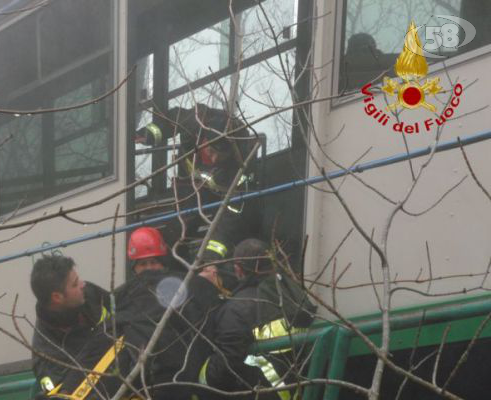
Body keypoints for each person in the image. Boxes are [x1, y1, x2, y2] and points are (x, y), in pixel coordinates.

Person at [40, 227, 221, 399]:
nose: (149, 268)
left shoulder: (187, 286)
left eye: (154, 262)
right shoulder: (122, 296)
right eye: (143, 264)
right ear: (134, 267)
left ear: (163, 263)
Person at [136, 105, 259, 261]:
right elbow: (172, 119)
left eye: (220, 156)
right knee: (181, 225)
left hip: (218, 196)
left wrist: (212, 255)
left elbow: (231, 216)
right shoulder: (194, 122)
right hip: (189, 184)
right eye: (211, 152)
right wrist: (148, 135)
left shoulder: (240, 164)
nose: (214, 159)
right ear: (204, 139)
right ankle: (173, 258)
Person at [200, 238, 317, 400]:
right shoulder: (292, 292)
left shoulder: (237, 309)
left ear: (238, 270)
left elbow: (224, 367)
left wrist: (200, 382)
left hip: (269, 393)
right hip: (302, 387)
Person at [30, 255, 110, 391]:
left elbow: (123, 307)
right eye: (75, 284)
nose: (82, 284)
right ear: (57, 297)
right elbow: (65, 393)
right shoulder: (46, 355)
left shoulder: (88, 294)